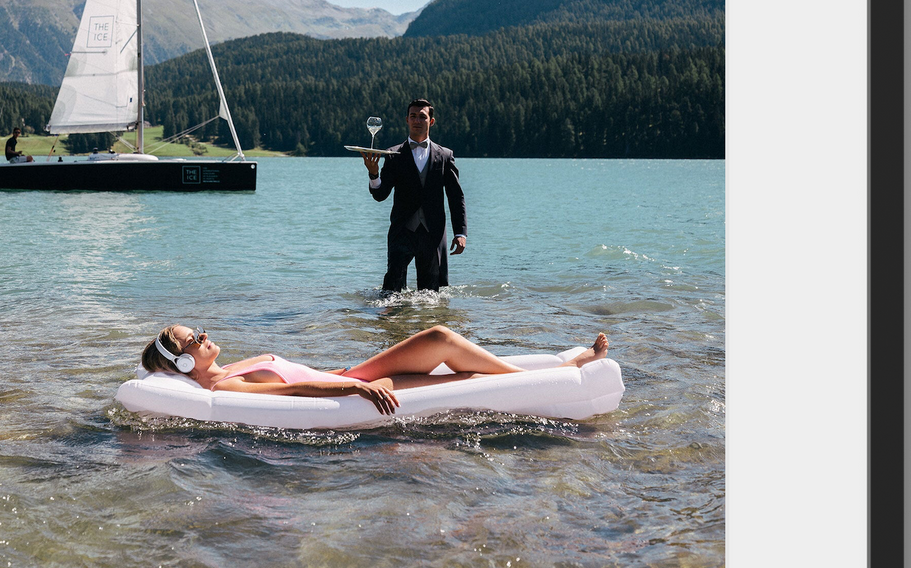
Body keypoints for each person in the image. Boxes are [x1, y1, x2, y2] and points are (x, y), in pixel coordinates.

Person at [141, 323, 612, 418]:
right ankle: (566, 369)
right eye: (192, 340)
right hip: (356, 386)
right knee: (444, 347)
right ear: (183, 362)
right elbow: (292, 392)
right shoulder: (226, 384)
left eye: (197, 330)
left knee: (443, 343)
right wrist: (360, 392)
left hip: (354, 373)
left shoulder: (229, 366)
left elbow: (292, 373)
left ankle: (562, 365)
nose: (203, 336)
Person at [362, 99, 466, 296]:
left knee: (431, 296)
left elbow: (456, 197)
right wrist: (373, 174)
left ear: (431, 121)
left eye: (422, 116)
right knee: (391, 293)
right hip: (402, 232)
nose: (417, 120)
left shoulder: (445, 155)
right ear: (407, 120)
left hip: (433, 233)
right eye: (413, 116)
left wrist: (460, 233)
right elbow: (380, 195)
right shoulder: (393, 154)